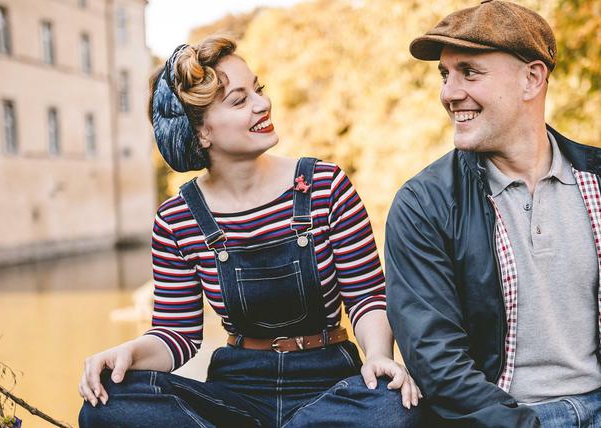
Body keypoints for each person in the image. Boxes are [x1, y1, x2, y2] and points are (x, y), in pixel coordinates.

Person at [78, 35, 420, 428]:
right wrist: (127, 354)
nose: (262, 104)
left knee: (392, 406)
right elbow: (177, 334)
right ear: (202, 132)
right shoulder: (177, 220)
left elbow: (366, 297)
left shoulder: (327, 185)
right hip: (237, 393)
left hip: (330, 385)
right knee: (107, 401)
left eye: (258, 89)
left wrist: (378, 356)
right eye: (240, 100)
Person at [384, 1, 601, 427]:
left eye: (469, 72)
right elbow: (437, 360)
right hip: (503, 420)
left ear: (532, 78)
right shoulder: (424, 204)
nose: (449, 93)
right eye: (445, 74)